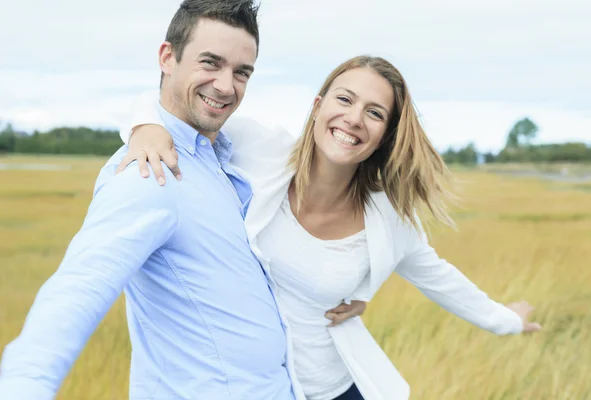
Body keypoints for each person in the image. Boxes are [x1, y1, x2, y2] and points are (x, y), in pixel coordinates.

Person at [117, 55, 542, 400]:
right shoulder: (259, 150)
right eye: (344, 100)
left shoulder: (388, 220)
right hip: (250, 386)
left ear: (385, 136)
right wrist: (146, 129)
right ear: (318, 106)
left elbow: (444, 282)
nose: (354, 118)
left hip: (334, 389)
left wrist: (508, 320)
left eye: (374, 112)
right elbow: (166, 102)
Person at [0, 1, 368, 399]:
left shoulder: (232, 156)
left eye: (241, 72)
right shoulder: (149, 173)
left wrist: (358, 287)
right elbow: (77, 290)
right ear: (167, 57)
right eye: (210, 63)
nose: (227, 85)